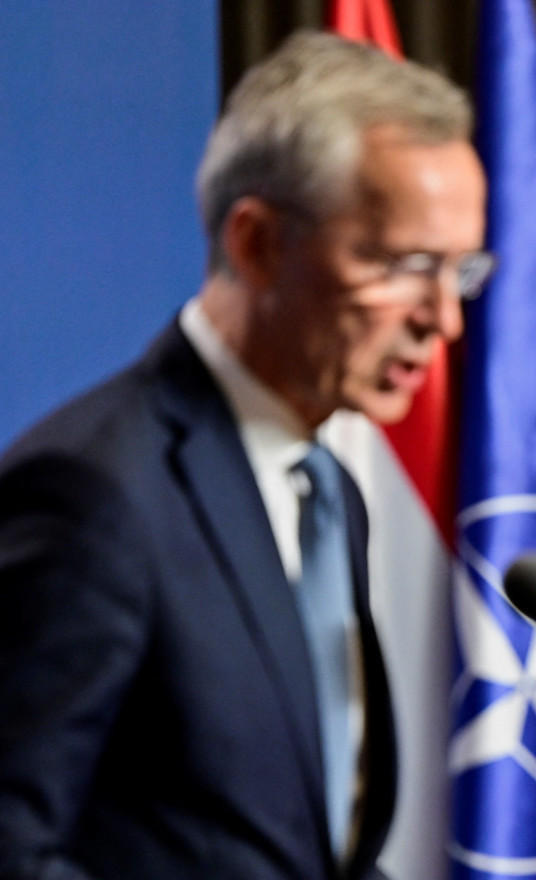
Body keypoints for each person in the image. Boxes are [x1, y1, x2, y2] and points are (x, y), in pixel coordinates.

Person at [0, 31, 490, 880]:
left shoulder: (329, 492)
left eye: (460, 271)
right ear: (258, 242)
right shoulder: (95, 492)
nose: (443, 320)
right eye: (405, 266)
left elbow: (302, 841)